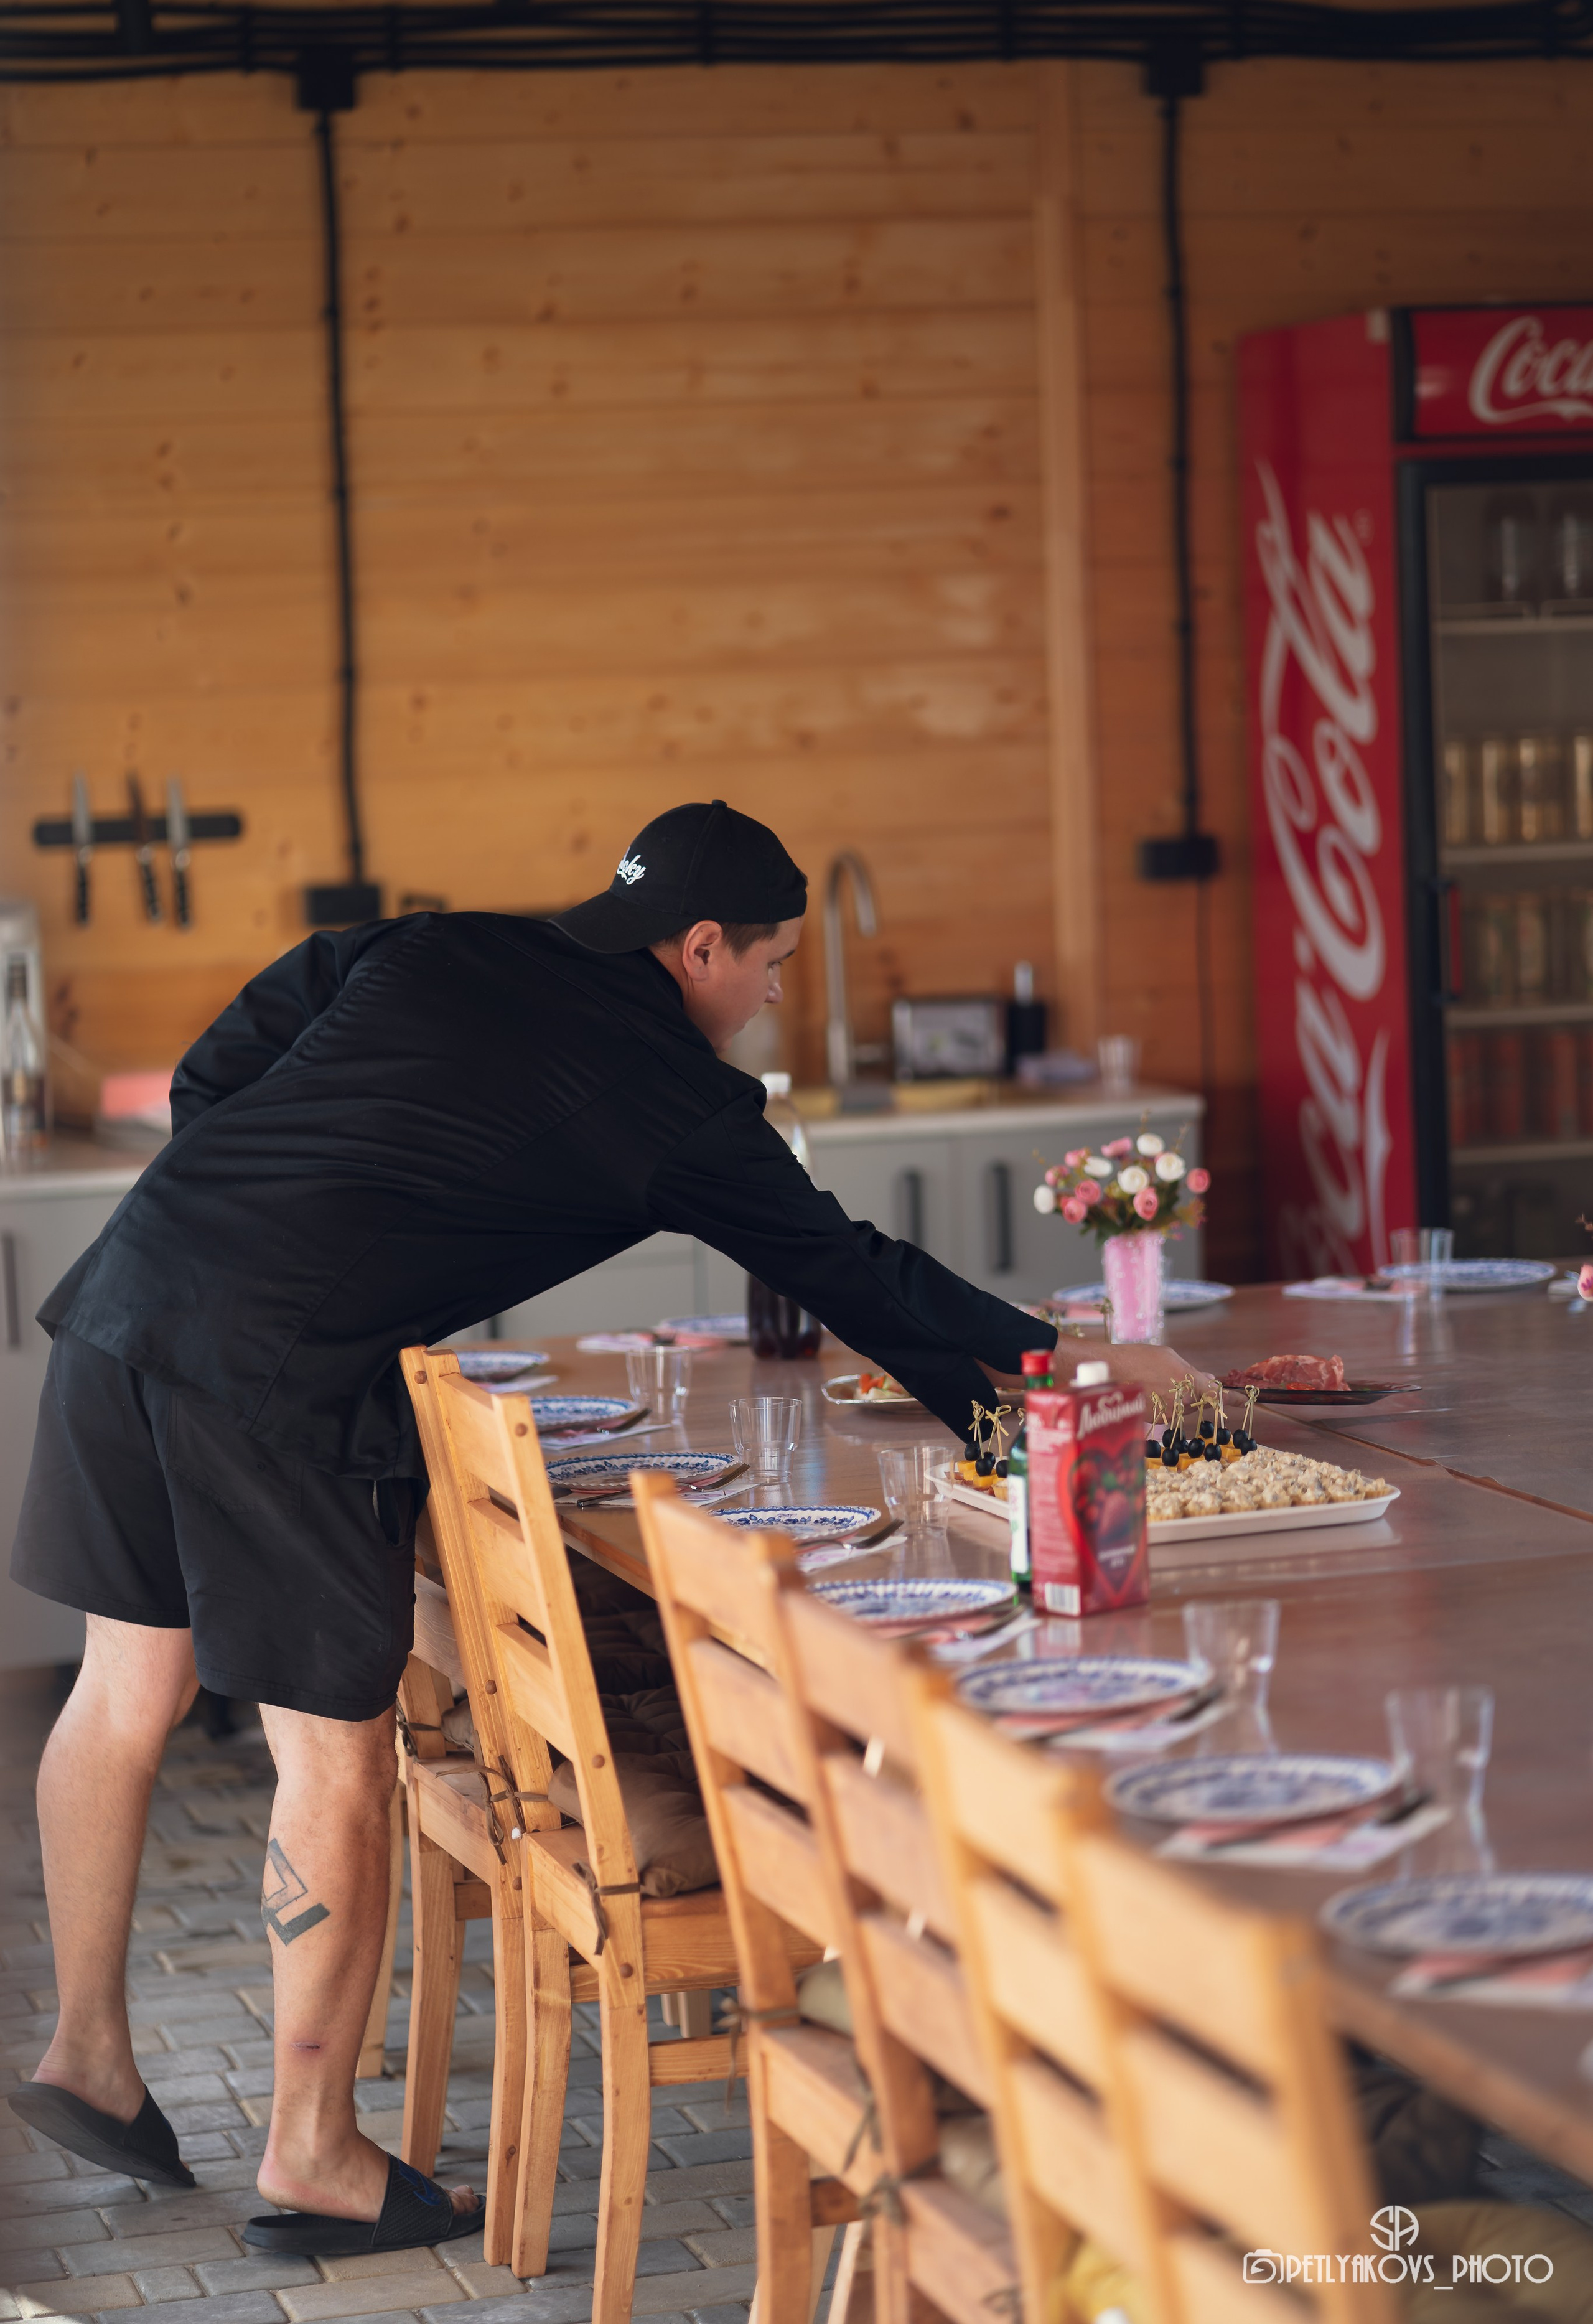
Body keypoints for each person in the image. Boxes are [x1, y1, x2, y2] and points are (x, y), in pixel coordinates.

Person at [9, 798, 1208, 2257]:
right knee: (334, 1751)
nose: (771, 996)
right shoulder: (674, 1100)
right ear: (698, 947)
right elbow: (856, 1274)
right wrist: (1052, 1365)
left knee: (122, 1689)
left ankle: (87, 2056)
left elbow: (230, 1055)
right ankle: (314, 2155)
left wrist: (265, 1203)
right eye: (768, 965)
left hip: (132, 1293)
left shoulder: (436, 948)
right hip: (277, 1377)